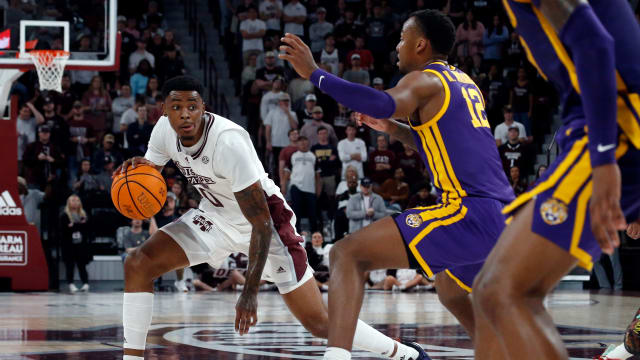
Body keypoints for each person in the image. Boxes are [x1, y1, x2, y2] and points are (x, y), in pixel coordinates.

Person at [117, 76, 424, 360]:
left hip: (267, 224)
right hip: (216, 217)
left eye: (192, 107)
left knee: (318, 323)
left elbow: (261, 224)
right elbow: (148, 181)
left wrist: (249, 293)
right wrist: (136, 172)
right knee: (138, 263)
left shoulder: (228, 141)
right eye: (176, 107)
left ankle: (403, 353)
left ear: (203, 108)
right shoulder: (162, 131)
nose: (184, 114)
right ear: (164, 110)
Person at [279, 9, 515, 359]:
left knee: (346, 254)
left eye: (403, 38)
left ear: (421, 44)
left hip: (470, 211)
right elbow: (436, 142)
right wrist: (392, 129)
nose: (397, 46)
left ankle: (336, 356)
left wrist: (315, 74)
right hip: (502, 215)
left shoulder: (425, 80)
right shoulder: (464, 83)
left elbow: (382, 101)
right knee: (450, 289)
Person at [471, 1, 640, 359]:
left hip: (616, 129)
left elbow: (594, 44)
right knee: (498, 293)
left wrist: (605, 158)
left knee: (502, 290)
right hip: (614, 125)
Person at [284, 136, 321, 232]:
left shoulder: (313, 156)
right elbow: (287, 173)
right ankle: (296, 235)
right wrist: (283, 186)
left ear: (308, 143)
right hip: (296, 187)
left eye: (305, 142)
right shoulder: (293, 155)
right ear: (297, 144)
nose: (303, 144)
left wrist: (318, 189)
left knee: (313, 214)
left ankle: (314, 234)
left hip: (310, 188)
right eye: (301, 142)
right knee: (296, 213)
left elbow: (317, 175)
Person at [60, 194, 92, 293]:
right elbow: (64, 229)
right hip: (69, 244)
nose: (75, 202)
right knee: (70, 265)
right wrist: (77, 226)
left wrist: (74, 226)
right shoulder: (64, 215)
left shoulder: (83, 214)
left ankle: (86, 283)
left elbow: (86, 228)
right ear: (68, 203)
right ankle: (71, 284)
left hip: (81, 244)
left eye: (77, 200)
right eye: (72, 200)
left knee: (81, 264)